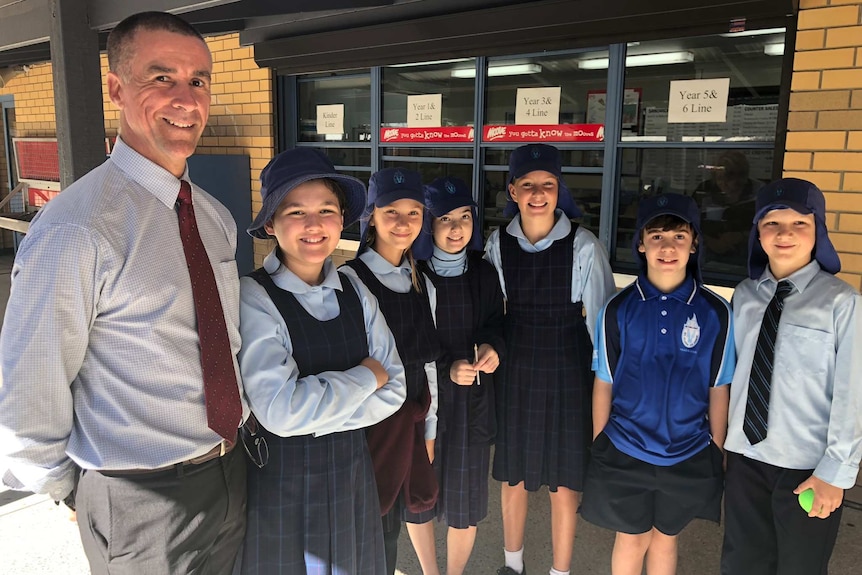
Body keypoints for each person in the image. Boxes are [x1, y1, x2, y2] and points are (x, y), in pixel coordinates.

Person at [0, 11, 247, 574]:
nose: (186, 98)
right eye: (162, 78)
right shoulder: (76, 229)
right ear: (116, 88)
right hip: (140, 501)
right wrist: (78, 493)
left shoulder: (212, 217)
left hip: (232, 473)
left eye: (199, 80)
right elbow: (28, 391)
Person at [238, 148, 408, 574]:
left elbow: (398, 390)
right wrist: (367, 378)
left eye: (326, 210)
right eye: (295, 211)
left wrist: (309, 415)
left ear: (342, 220)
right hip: (283, 488)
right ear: (271, 223)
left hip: (352, 479)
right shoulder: (254, 297)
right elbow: (278, 410)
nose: (314, 225)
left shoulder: (354, 287)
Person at [581, 193, 734, 575]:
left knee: (666, 537)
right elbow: (605, 381)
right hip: (625, 446)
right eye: (657, 236)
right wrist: (600, 440)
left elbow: (718, 386)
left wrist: (717, 448)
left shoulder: (716, 312)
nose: (668, 247)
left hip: (688, 448)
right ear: (641, 244)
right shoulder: (618, 309)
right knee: (631, 538)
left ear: (694, 244)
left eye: (679, 237)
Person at [484, 143, 616, 575]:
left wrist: (606, 390)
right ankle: (513, 565)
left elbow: (602, 327)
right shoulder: (496, 243)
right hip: (516, 365)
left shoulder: (584, 245)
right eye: (528, 185)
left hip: (568, 366)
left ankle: (560, 571)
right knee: (514, 474)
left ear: (559, 190)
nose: (538, 193)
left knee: (564, 480)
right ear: (512, 190)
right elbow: (490, 311)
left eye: (548, 184)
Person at [721, 177, 862, 575]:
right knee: (742, 561)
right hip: (746, 458)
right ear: (758, 234)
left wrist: (835, 473)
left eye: (800, 223)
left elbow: (853, 394)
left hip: (806, 467)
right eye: (772, 224)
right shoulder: (745, 296)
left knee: (800, 565)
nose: (785, 234)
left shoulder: (842, 302)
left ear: (818, 230)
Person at [340, 167, 441, 575]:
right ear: (371, 217)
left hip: (412, 427)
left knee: (393, 529)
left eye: (413, 213)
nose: (403, 223)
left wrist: (430, 430)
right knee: (367, 531)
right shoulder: (349, 281)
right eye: (391, 212)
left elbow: (429, 366)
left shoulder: (423, 283)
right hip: (369, 434)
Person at [409, 176, 505, 575]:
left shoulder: (483, 273)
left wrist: (492, 348)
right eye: (444, 218)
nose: (456, 227)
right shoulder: (413, 274)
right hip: (425, 403)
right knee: (420, 498)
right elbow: (409, 342)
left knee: (465, 504)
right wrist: (449, 369)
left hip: (472, 406)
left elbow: (497, 323)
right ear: (428, 225)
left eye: (465, 216)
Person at [692, 150, 761, 266]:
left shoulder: (757, 193)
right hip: (706, 253)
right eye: (719, 178)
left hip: (745, 255)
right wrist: (708, 240)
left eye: (729, 177)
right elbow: (689, 223)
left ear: (743, 176)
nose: (724, 183)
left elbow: (769, 228)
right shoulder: (704, 190)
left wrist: (741, 236)